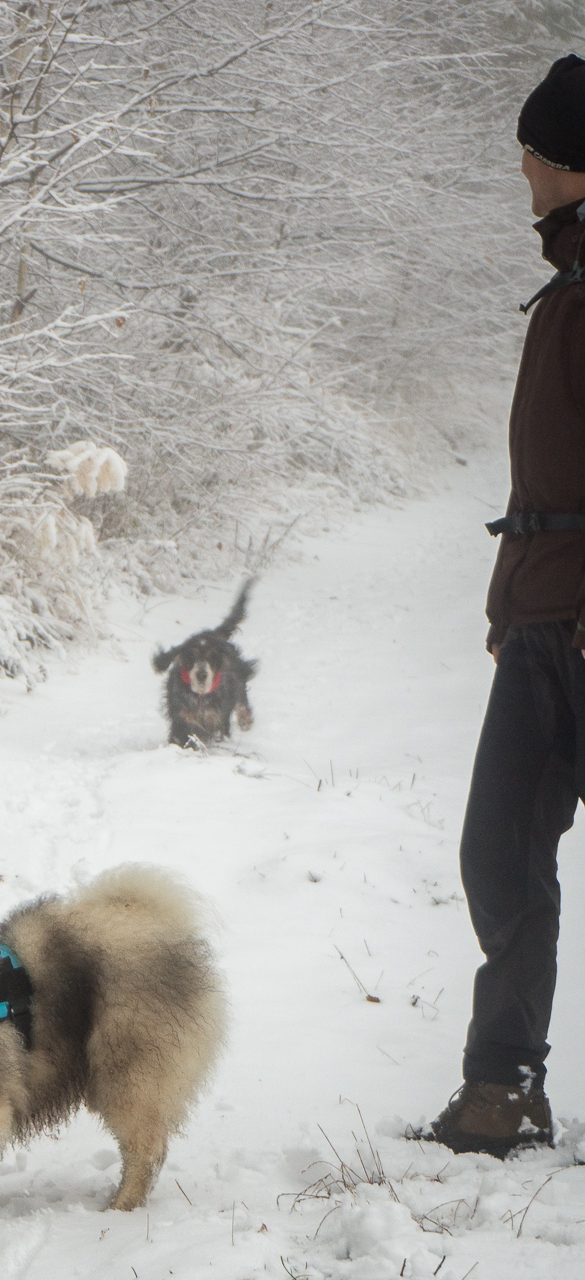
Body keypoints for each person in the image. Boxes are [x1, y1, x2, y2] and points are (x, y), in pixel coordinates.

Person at [428, 55, 585, 1158]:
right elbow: (542, 487)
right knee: (500, 851)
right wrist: (507, 602)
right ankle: (501, 1089)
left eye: (532, 148)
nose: (520, 167)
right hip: (543, 619)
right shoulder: (567, 291)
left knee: (508, 850)